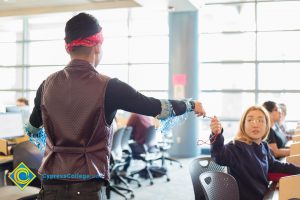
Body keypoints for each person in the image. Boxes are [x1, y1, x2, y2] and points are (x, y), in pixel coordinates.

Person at [24, 12, 206, 200]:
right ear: (97, 46)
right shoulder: (109, 87)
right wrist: (190, 105)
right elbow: (154, 106)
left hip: (51, 182)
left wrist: (56, 147)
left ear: (67, 48)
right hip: (87, 183)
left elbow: (32, 128)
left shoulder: (46, 85)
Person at [210, 105, 300, 200]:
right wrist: (217, 135)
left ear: (266, 126)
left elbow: (274, 165)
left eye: (260, 120)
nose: (255, 124)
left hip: (264, 195)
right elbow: (219, 156)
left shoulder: (264, 146)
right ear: (243, 125)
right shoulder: (236, 147)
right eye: (250, 120)